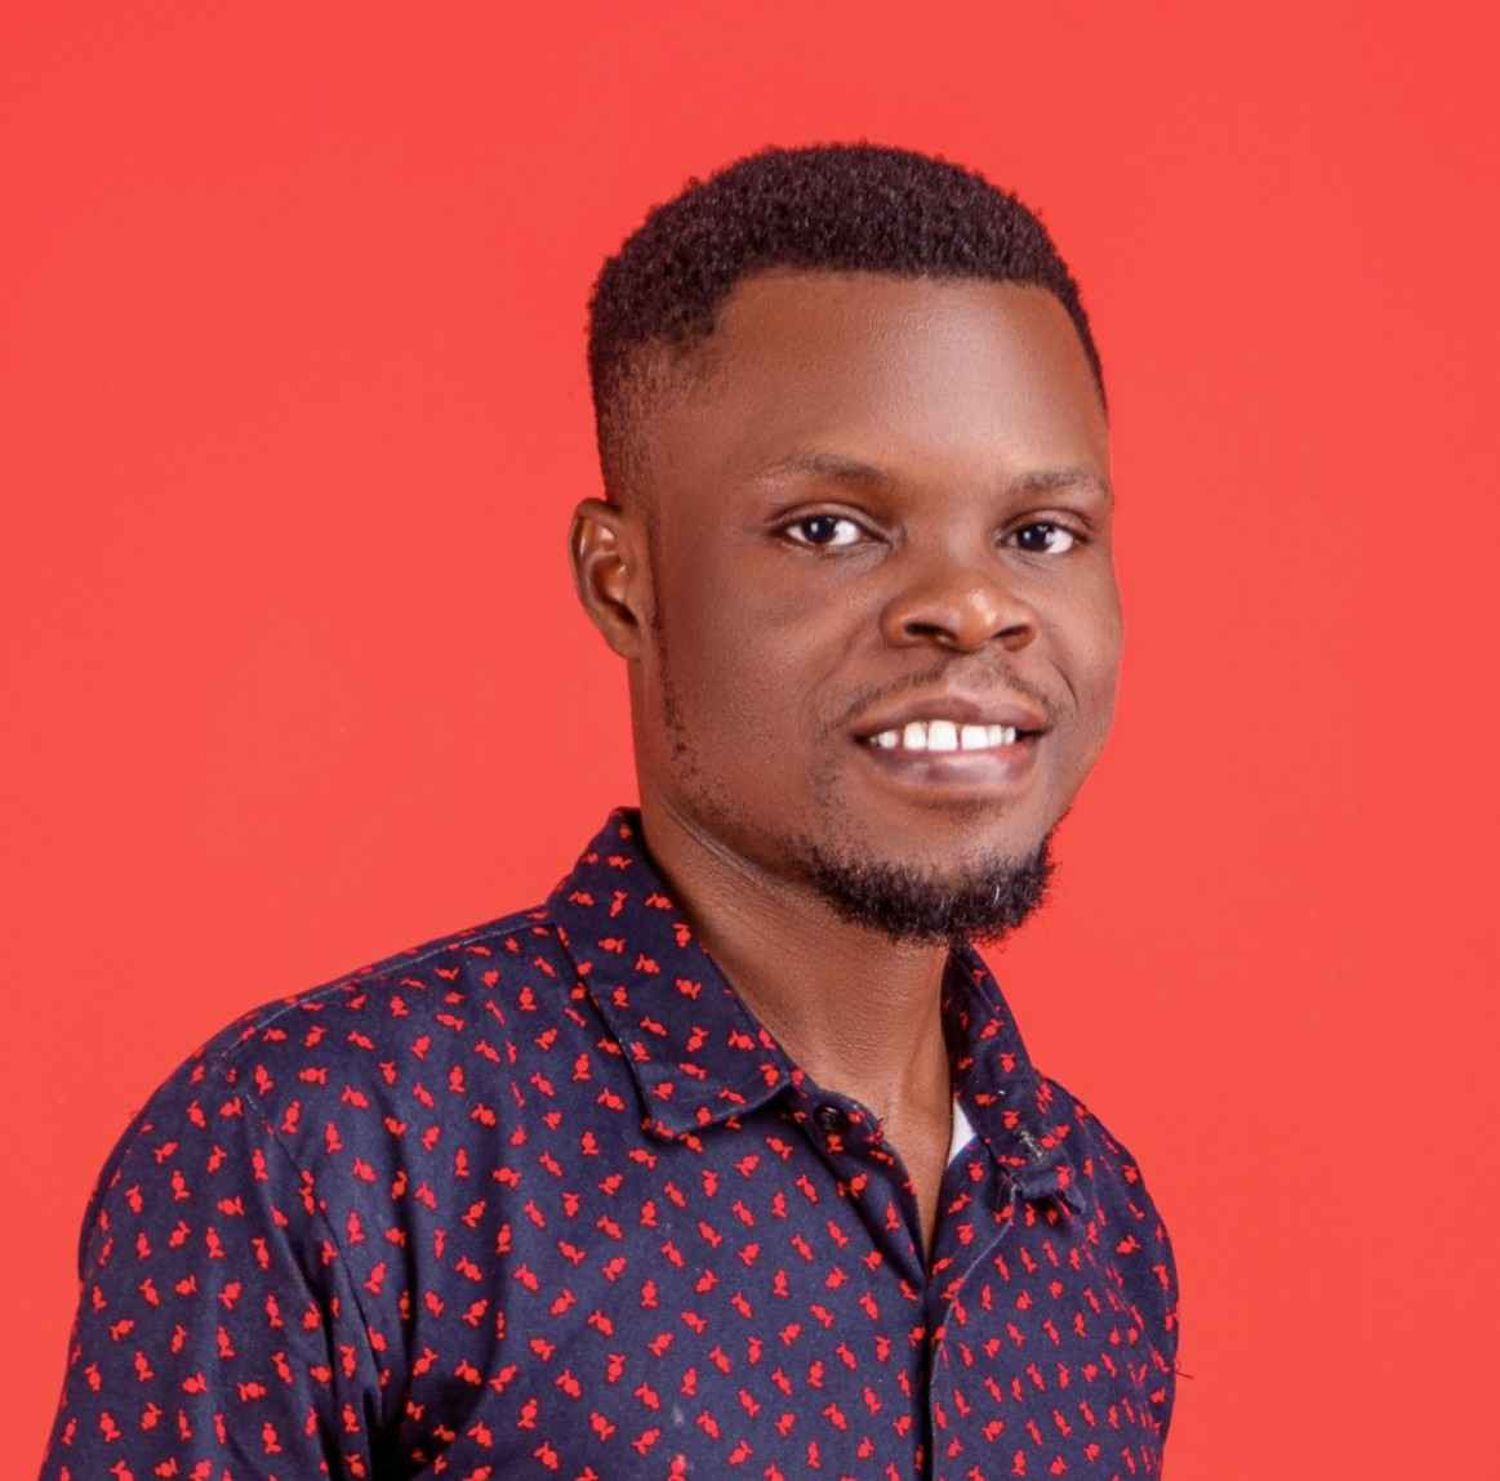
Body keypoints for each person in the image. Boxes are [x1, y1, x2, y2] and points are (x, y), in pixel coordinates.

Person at [38, 142, 1179, 1479]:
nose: (972, 607)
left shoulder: (1096, 1228)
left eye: (1040, 534)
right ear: (619, 578)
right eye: (829, 527)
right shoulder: (329, 1148)